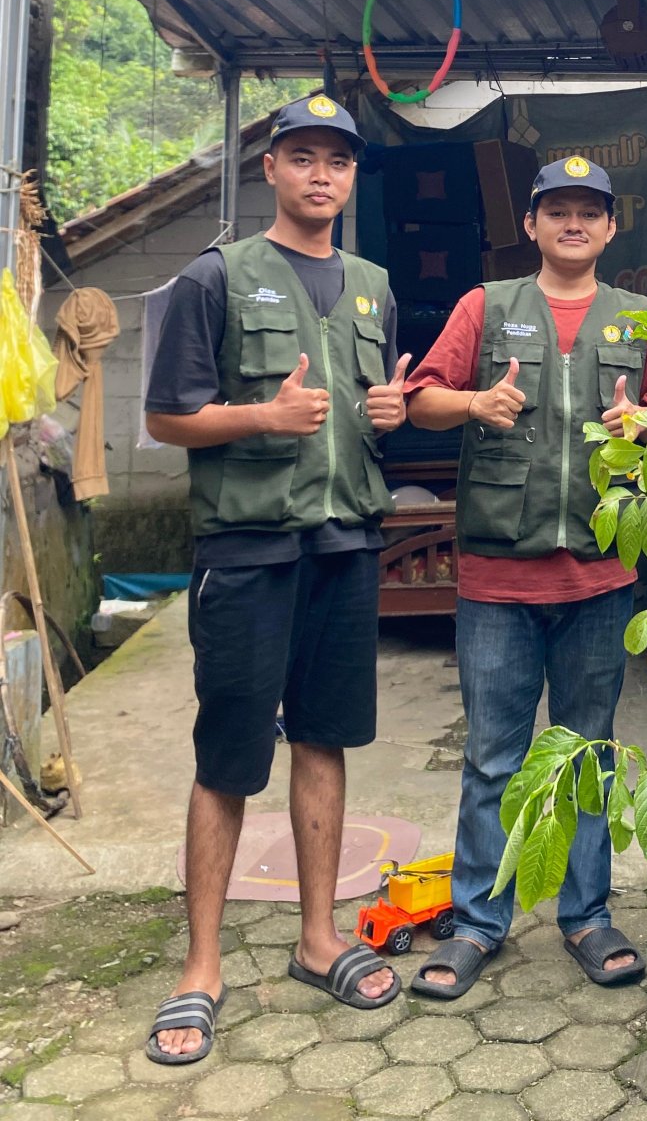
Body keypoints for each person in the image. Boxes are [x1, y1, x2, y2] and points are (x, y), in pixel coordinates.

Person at [142, 94, 410, 1065]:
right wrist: (262, 417)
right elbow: (166, 418)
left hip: (344, 546)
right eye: (302, 156)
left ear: (352, 175)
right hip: (248, 550)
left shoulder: (374, 285)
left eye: (337, 160)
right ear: (271, 168)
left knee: (324, 740)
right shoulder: (215, 277)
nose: (320, 174)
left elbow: (371, 414)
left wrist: (388, 412)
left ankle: (318, 939)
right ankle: (201, 966)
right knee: (228, 756)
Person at [404, 156, 647, 998]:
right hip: (497, 578)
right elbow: (421, 399)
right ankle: (477, 923)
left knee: (588, 751)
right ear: (530, 225)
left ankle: (587, 915)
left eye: (589, 212)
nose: (573, 224)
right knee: (494, 755)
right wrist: (474, 403)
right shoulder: (485, 307)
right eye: (557, 210)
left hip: (599, 577)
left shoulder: (640, 318)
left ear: (611, 227)